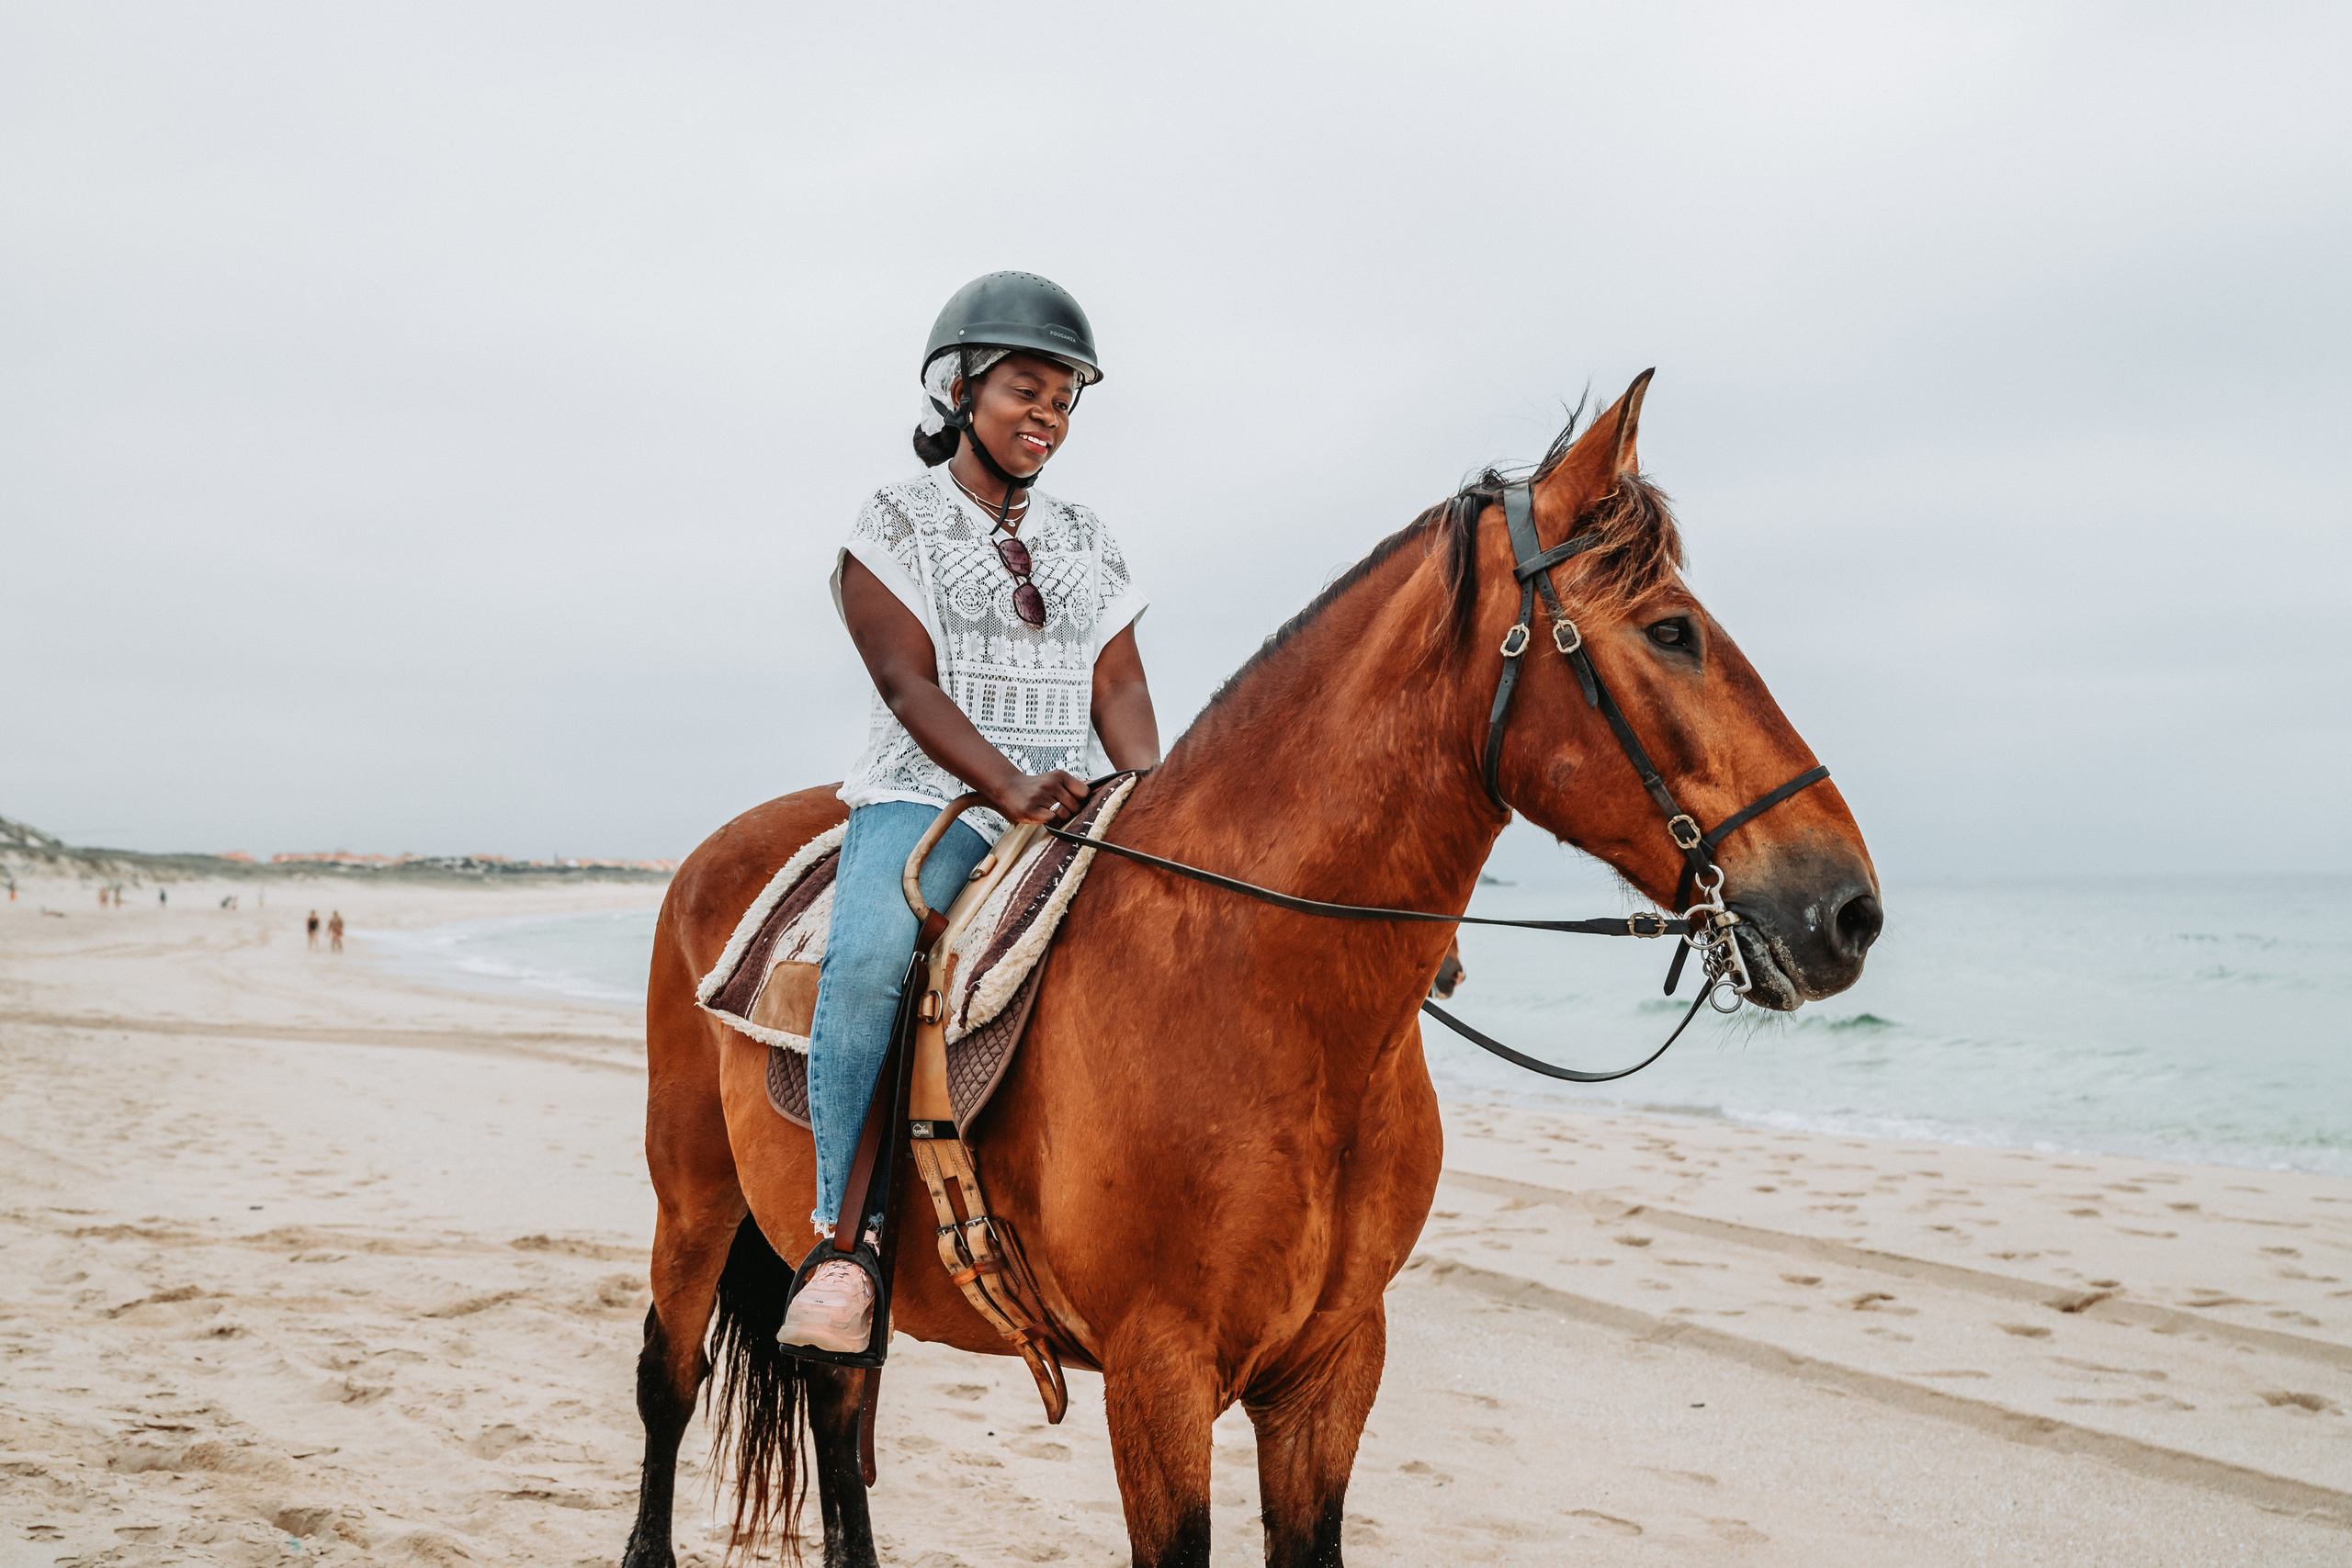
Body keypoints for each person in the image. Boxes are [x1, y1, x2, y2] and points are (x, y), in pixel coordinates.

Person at [776, 273, 1160, 1353]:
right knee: (866, 964)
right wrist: (1005, 785)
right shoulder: (892, 519)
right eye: (1024, 392)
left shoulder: (1088, 536)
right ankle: (841, 1244)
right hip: (929, 798)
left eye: (1063, 401)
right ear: (957, 389)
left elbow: (1119, 690)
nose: (1047, 417)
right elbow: (908, 683)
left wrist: (1146, 798)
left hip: (1072, 802)